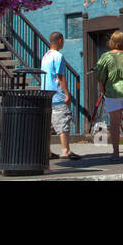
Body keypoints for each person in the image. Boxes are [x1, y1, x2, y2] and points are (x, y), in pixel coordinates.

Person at [93, 31, 123, 161]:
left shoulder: (106, 57)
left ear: (112, 42)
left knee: (114, 122)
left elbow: (100, 76)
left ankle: (115, 152)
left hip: (112, 92)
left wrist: (102, 91)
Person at [41, 32, 80, 161]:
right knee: (63, 122)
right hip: (57, 95)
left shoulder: (45, 56)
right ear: (60, 40)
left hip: (46, 95)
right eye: (62, 41)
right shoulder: (58, 56)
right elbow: (61, 76)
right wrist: (67, 93)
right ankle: (66, 150)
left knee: (48, 125)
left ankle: (47, 151)